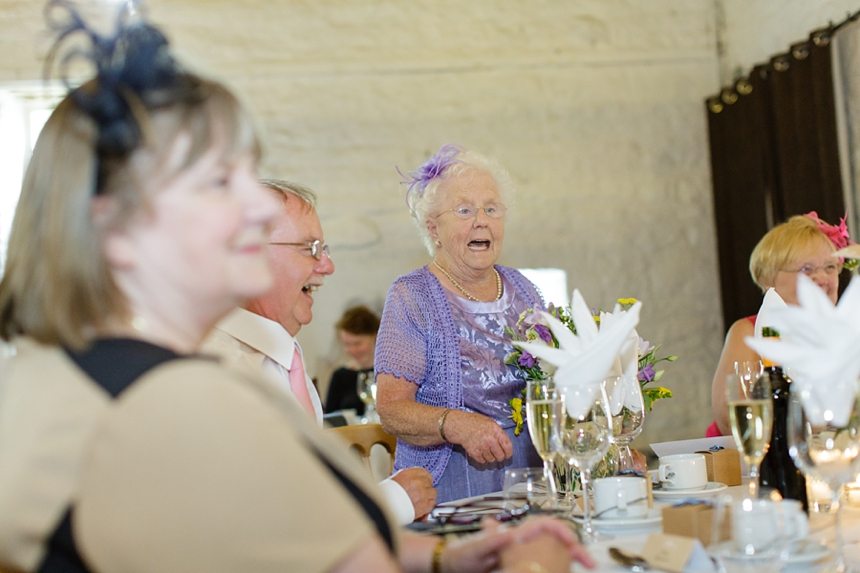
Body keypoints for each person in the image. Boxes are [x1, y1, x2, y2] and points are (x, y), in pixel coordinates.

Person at [0, 7, 593, 571]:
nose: (257, 208)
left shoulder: (79, 373)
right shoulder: (164, 405)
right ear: (118, 229)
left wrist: (444, 556)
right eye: (218, 182)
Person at [203, 180, 436, 524]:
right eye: (310, 248)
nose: (327, 266)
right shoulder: (218, 371)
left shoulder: (286, 356)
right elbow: (259, 520)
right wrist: (390, 501)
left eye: (324, 249)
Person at [375, 145, 544, 503]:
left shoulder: (524, 290)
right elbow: (391, 410)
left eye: (491, 209)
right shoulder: (412, 295)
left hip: (530, 481)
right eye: (465, 210)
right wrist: (455, 424)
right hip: (449, 488)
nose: (481, 220)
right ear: (433, 227)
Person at [708, 213, 847, 436]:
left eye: (830, 267)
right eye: (806, 269)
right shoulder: (749, 333)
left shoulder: (848, 335)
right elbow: (731, 420)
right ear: (769, 278)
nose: (822, 278)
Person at [325, 305, 380, 416]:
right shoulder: (340, 376)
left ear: (374, 336)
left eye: (357, 343)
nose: (352, 350)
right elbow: (330, 421)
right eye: (347, 344)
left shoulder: (388, 373)